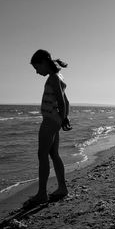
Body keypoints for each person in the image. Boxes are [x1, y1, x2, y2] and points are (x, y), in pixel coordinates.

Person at [24, 49, 72, 207]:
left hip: (50, 120)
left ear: (44, 63)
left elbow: (60, 98)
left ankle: (42, 194)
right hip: (55, 119)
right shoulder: (58, 76)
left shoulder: (53, 78)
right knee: (53, 153)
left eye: (37, 68)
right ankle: (62, 188)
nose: (37, 72)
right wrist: (63, 118)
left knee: (42, 154)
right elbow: (66, 101)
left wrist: (63, 118)